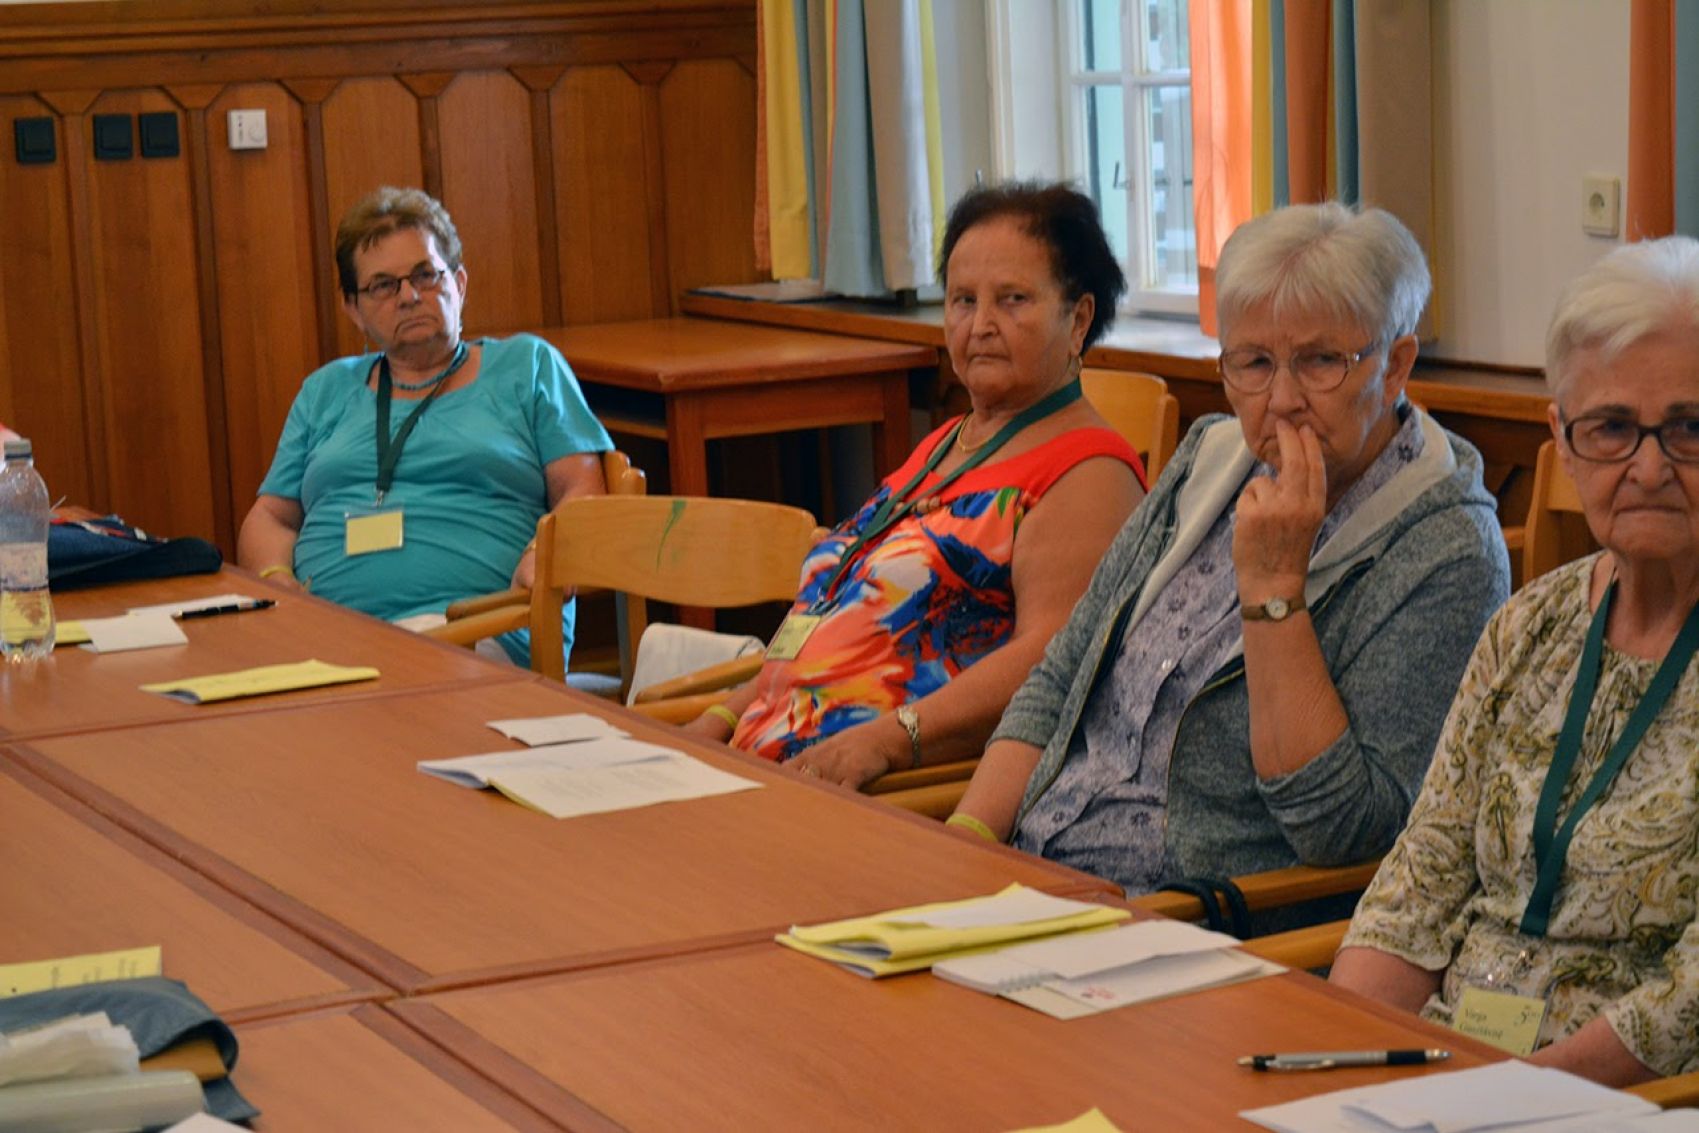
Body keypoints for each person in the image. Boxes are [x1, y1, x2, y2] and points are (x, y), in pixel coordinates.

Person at [949, 202, 1511, 898]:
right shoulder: (1209, 459)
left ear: (1395, 366)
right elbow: (1064, 673)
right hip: (1035, 866)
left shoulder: (1448, 550)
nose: (1281, 399)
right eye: (1253, 363)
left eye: (1320, 362)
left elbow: (1347, 831)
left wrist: (1275, 594)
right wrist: (966, 841)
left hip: (1187, 914)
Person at [1332, 236, 1699, 1086]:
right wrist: (1345, 1058)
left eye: (1689, 427)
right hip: (1444, 1068)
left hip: (1622, 1097)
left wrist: (1500, 1097)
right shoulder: (1530, 625)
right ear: (1562, 440)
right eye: (1611, 428)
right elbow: (1420, 877)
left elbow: (1686, 999)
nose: (1648, 466)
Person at [687, 182, 1147, 788]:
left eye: (1012, 300)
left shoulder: (1091, 474)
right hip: (765, 758)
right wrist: (723, 714)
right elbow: (838, 615)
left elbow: (1052, 661)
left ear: (1078, 318)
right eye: (963, 300)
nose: (981, 325)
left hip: (874, 790)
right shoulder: (948, 443)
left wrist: (891, 740)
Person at [238, 187, 610, 665]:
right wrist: (277, 583)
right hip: (326, 635)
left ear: (460, 283)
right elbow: (270, 517)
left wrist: (544, 552)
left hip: (475, 629)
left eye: (425, 275)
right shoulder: (326, 389)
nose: (409, 297)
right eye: (382, 286)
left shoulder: (526, 366)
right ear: (353, 309)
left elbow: (582, 487)